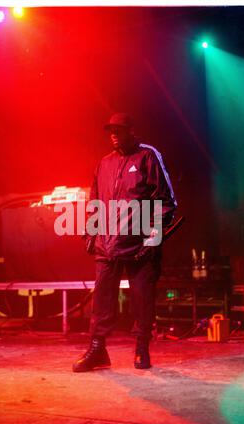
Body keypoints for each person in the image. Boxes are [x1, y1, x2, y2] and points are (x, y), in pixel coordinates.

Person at [73, 113, 177, 372]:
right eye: (111, 130)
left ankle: (142, 348)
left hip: (140, 244)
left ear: (131, 130)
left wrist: (152, 238)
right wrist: (90, 231)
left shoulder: (148, 156)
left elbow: (167, 201)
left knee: (142, 299)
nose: (114, 134)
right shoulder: (104, 163)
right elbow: (95, 202)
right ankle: (98, 349)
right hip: (107, 243)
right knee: (102, 300)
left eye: (119, 129)